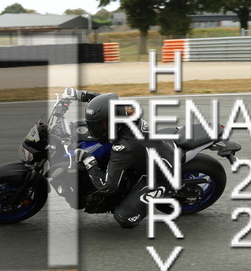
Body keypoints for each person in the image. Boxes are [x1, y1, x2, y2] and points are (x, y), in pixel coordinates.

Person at [64, 88, 175, 228]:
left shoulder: (124, 147)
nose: (95, 129)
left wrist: (87, 159)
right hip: (152, 152)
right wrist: (81, 95)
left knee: (124, 217)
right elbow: (104, 104)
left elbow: (107, 187)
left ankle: (159, 195)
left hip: (161, 176)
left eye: (101, 125)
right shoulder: (122, 111)